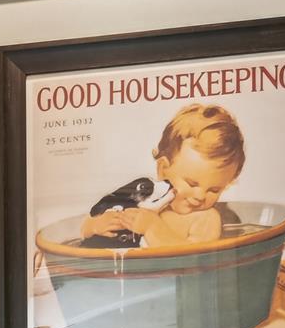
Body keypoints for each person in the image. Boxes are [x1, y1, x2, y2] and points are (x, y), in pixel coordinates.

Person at [80, 103, 246, 249]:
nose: (200, 196)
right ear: (163, 169)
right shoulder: (147, 200)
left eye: (214, 190)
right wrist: (95, 225)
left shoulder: (206, 219)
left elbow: (194, 259)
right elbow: (85, 227)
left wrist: (152, 227)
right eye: (191, 183)